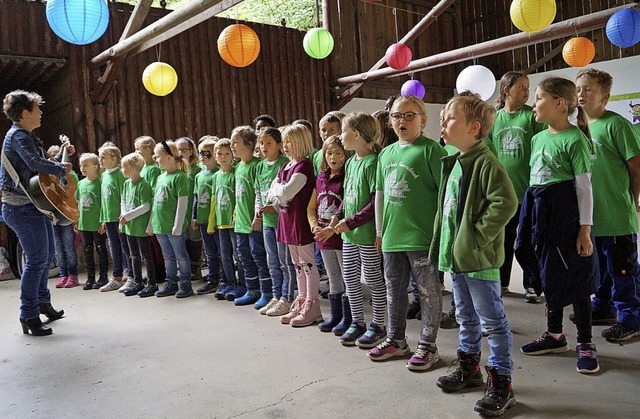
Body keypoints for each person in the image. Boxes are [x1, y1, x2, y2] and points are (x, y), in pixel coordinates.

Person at [433, 94, 517, 417]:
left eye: (450, 118)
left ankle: (502, 382)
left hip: (478, 260)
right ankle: (469, 368)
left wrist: (478, 237)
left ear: (474, 128)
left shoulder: (486, 161)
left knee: (493, 321)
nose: (444, 123)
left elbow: (506, 202)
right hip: (459, 260)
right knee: (465, 317)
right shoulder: (457, 160)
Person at [516, 77, 599, 374]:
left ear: (559, 104)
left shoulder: (574, 139)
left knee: (575, 276)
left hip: (564, 212)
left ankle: (586, 343)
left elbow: (584, 189)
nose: (533, 103)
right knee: (547, 270)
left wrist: (584, 229)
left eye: (538, 97)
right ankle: (554, 335)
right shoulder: (538, 138)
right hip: (539, 211)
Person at [372, 95, 446, 368]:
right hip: (392, 237)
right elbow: (379, 193)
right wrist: (379, 231)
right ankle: (396, 340)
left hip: (422, 237)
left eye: (409, 115)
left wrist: (440, 233)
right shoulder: (386, 153)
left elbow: (443, 196)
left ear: (423, 119)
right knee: (394, 290)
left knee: (428, 291)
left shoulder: (432, 151)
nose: (401, 121)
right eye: (396, 116)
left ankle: (428, 345)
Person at [575, 68, 640, 343]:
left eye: (588, 89)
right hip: (593, 217)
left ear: (605, 96)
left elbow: (636, 167)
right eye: (578, 89)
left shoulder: (616, 125)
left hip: (616, 216)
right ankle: (602, 307)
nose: (581, 94)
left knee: (623, 269)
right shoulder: (580, 130)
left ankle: (631, 318)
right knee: (599, 268)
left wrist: (635, 197)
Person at [0, 90, 69, 335]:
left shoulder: (23, 135)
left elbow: (37, 167)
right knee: (38, 259)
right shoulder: (19, 136)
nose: (41, 113)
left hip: (33, 205)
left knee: (46, 254)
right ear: (26, 114)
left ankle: (42, 302)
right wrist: (60, 168)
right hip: (22, 208)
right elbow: (34, 164)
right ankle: (28, 314)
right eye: (37, 109)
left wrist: (57, 161)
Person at [487, 71, 546, 301]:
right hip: (503, 194)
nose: (526, 91)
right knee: (503, 241)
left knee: (528, 243)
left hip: (529, 192)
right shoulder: (495, 118)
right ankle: (501, 283)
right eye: (521, 86)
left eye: (527, 86)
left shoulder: (531, 117)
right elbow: (489, 153)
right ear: (506, 90)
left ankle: (532, 286)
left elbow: (542, 146)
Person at [332, 112, 387, 349]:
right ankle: (357, 321)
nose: (339, 137)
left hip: (365, 235)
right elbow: (348, 195)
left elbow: (374, 203)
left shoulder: (373, 162)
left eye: (343, 131)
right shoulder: (352, 162)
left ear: (355, 134)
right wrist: (338, 214)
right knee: (351, 280)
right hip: (349, 235)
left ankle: (379, 324)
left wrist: (351, 222)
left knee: (374, 280)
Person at [267, 124, 323, 327]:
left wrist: (279, 192)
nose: (286, 146)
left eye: (290, 141)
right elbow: (271, 192)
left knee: (308, 263)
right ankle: (301, 299)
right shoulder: (285, 166)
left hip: (299, 221)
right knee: (297, 264)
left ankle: (312, 303)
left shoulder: (304, 166)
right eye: (285, 141)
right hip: (286, 219)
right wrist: (279, 192)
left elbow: (286, 192)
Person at [308, 135, 349, 334]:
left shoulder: (347, 176)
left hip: (339, 236)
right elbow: (311, 207)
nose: (333, 157)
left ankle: (350, 318)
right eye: (329, 153)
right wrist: (315, 226)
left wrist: (331, 229)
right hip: (323, 237)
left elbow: (347, 205)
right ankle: (336, 316)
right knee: (333, 276)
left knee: (347, 277)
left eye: (338, 153)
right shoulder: (322, 177)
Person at [254, 127, 295, 313]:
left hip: (282, 221)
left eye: (269, 143)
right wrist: (258, 213)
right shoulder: (259, 166)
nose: (264, 147)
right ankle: (276, 295)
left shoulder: (285, 164)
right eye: (261, 143)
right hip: (267, 223)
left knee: (285, 262)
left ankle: (287, 297)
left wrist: (275, 206)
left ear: (279, 145)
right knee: (272, 262)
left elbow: (288, 193)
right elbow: (258, 193)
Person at [230, 126, 272, 306]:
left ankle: (266, 291)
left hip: (254, 223)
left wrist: (258, 216)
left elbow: (260, 193)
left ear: (248, 144)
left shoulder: (256, 166)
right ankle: (251, 288)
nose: (232, 146)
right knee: (244, 257)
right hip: (240, 222)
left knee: (259, 257)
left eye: (236, 142)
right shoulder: (238, 166)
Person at [151, 140, 193, 298]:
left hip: (173, 227)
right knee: (167, 256)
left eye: (158, 156)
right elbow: (156, 203)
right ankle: (171, 282)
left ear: (169, 157)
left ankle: (186, 283)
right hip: (160, 225)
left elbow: (182, 202)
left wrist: (178, 225)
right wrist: (151, 224)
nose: (156, 159)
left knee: (181, 256)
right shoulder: (160, 177)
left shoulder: (180, 177)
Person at [211, 139, 245, 301]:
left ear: (233, 155)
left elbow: (239, 198)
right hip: (221, 223)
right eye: (219, 154)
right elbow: (213, 200)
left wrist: (236, 216)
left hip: (234, 223)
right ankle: (229, 282)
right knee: (224, 254)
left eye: (227, 153)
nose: (223, 157)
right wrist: (212, 223)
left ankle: (242, 284)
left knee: (238, 254)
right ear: (214, 156)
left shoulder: (236, 173)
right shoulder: (216, 176)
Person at [119, 153, 155, 297]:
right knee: (133, 256)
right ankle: (137, 281)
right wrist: (123, 216)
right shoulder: (127, 184)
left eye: (124, 167)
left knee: (146, 256)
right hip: (129, 227)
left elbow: (146, 206)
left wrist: (127, 216)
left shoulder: (144, 185)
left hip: (140, 227)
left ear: (131, 168)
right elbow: (123, 200)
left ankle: (151, 284)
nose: (122, 170)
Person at [97, 143, 132, 292]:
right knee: (114, 248)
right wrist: (103, 218)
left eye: (103, 157)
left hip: (120, 218)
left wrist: (124, 216)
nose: (100, 161)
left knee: (125, 247)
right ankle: (116, 277)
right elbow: (104, 200)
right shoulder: (104, 175)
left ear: (114, 157)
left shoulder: (120, 175)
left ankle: (130, 275)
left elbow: (125, 196)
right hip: (109, 219)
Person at [47, 145, 80, 289]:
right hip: (54, 216)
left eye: (58, 155)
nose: (56, 159)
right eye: (53, 156)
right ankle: (63, 274)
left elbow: (74, 194)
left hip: (67, 214)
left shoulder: (71, 175)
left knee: (68, 247)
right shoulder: (47, 177)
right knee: (58, 248)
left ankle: (73, 275)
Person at [75, 153, 109, 291]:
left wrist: (104, 221)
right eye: (81, 165)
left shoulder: (101, 182)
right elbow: (78, 202)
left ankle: (103, 276)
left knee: (100, 249)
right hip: (84, 223)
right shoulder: (81, 183)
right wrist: (76, 220)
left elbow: (105, 203)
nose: (82, 168)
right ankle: (90, 277)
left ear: (95, 166)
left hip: (97, 223)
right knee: (87, 250)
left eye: (86, 165)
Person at [191, 138, 221, 295]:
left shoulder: (218, 174)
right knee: (209, 251)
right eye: (200, 152)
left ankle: (223, 278)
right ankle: (213, 278)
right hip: (203, 220)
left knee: (220, 251)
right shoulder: (199, 176)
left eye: (206, 153)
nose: (202, 156)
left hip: (216, 221)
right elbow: (196, 196)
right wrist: (195, 216)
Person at [134, 135, 165, 282]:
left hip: (152, 209)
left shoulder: (153, 169)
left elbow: (153, 191)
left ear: (147, 148)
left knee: (155, 243)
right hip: (144, 211)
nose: (136, 151)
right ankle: (153, 270)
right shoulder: (144, 168)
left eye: (138, 148)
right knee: (149, 244)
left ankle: (160, 271)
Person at [176, 137, 204, 281]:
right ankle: (184, 268)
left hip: (193, 210)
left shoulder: (197, 169)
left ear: (191, 151)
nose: (180, 153)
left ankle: (195, 267)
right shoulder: (177, 170)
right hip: (181, 211)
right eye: (178, 149)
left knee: (194, 238)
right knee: (183, 239)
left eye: (183, 150)